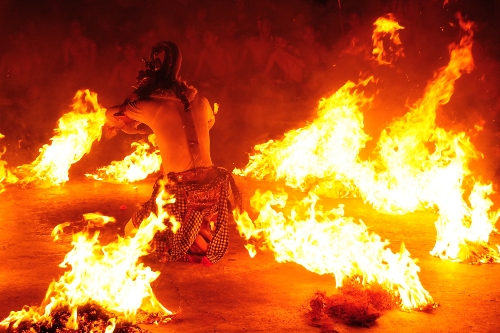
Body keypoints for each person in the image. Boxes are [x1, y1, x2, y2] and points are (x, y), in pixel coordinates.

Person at [105, 41, 242, 265]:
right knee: (195, 241)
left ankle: (177, 240)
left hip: (180, 193)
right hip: (213, 188)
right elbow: (208, 123)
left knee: (131, 231)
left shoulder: (150, 106)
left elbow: (111, 115)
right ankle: (196, 237)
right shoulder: (201, 100)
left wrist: (127, 120)